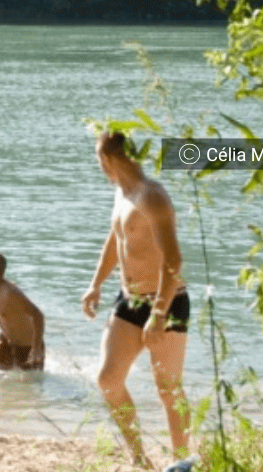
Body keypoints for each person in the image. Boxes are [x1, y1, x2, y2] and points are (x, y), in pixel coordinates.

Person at [80, 131, 191, 470]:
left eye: (99, 160)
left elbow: (174, 260)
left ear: (109, 159)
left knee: (168, 387)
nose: (99, 167)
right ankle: (140, 459)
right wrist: (95, 284)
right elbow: (116, 239)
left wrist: (158, 314)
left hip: (167, 302)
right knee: (108, 380)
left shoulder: (152, 196)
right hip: (129, 301)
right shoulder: (121, 193)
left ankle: (182, 461)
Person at [0, 252, 46, 371]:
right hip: (6, 342)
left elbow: (38, 315)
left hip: (27, 346)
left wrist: (36, 348)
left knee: (29, 386)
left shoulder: (11, 293)